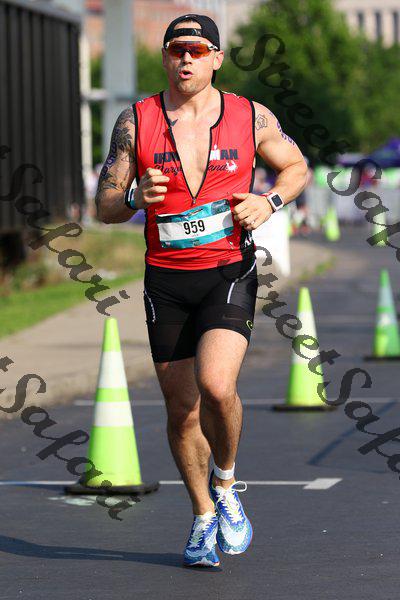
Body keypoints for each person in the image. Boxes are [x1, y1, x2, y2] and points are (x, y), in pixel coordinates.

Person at [95, 13, 308, 568]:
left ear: (216, 58)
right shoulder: (135, 120)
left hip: (226, 271)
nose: (185, 59)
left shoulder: (250, 115)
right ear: (165, 57)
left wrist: (269, 201)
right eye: (176, 50)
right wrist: (134, 198)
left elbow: (296, 167)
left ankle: (227, 481)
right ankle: (202, 514)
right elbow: (105, 205)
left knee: (216, 385)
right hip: (165, 280)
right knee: (181, 409)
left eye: (197, 49)